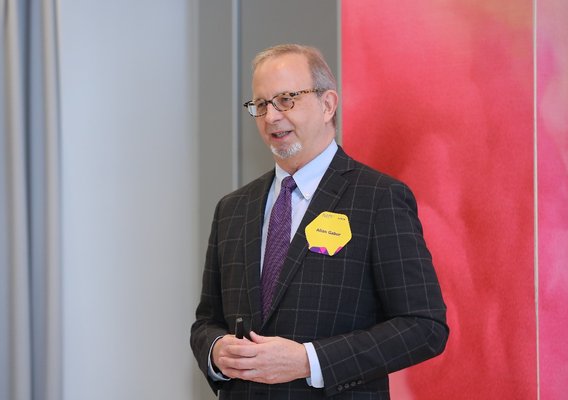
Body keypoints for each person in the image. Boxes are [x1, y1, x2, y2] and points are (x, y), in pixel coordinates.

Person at [190, 43, 448, 399]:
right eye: (261, 105)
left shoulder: (378, 198)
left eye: (286, 100)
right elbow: (206, 322)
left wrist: (309, 361)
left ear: (328, 105)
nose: (271, 117)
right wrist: (216, 351)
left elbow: (424, 327)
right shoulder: (232, 209)